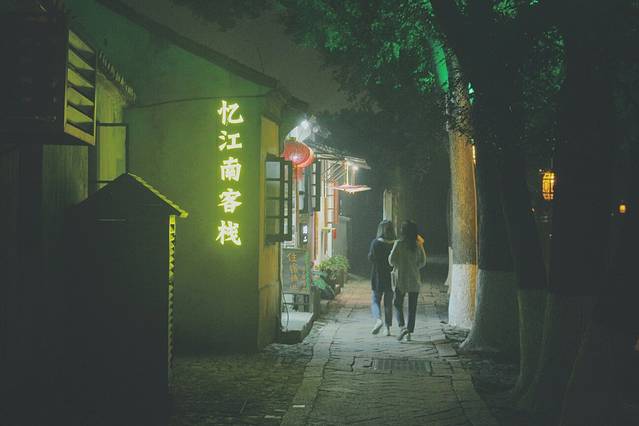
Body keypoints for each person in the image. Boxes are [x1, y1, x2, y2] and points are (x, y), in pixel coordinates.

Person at [389, 220, 427, 342]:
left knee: (397, 303)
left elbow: (391, 260)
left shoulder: (398, 244)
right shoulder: (418, 245)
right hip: (414, 279)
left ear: (403, 231)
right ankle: (409, 333)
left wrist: (398, 264)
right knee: (412, 307)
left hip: (401, 279)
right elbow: (423, 261)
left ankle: (402, 327)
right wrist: (414, 267)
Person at [368, 220, 396, 336]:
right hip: (391, 276)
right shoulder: (395, 243)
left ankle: (378, 319)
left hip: (378, 275)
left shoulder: (375, 243)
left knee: (375, 300)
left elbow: (371, 257)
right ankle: (387, 328)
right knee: (388, 303)